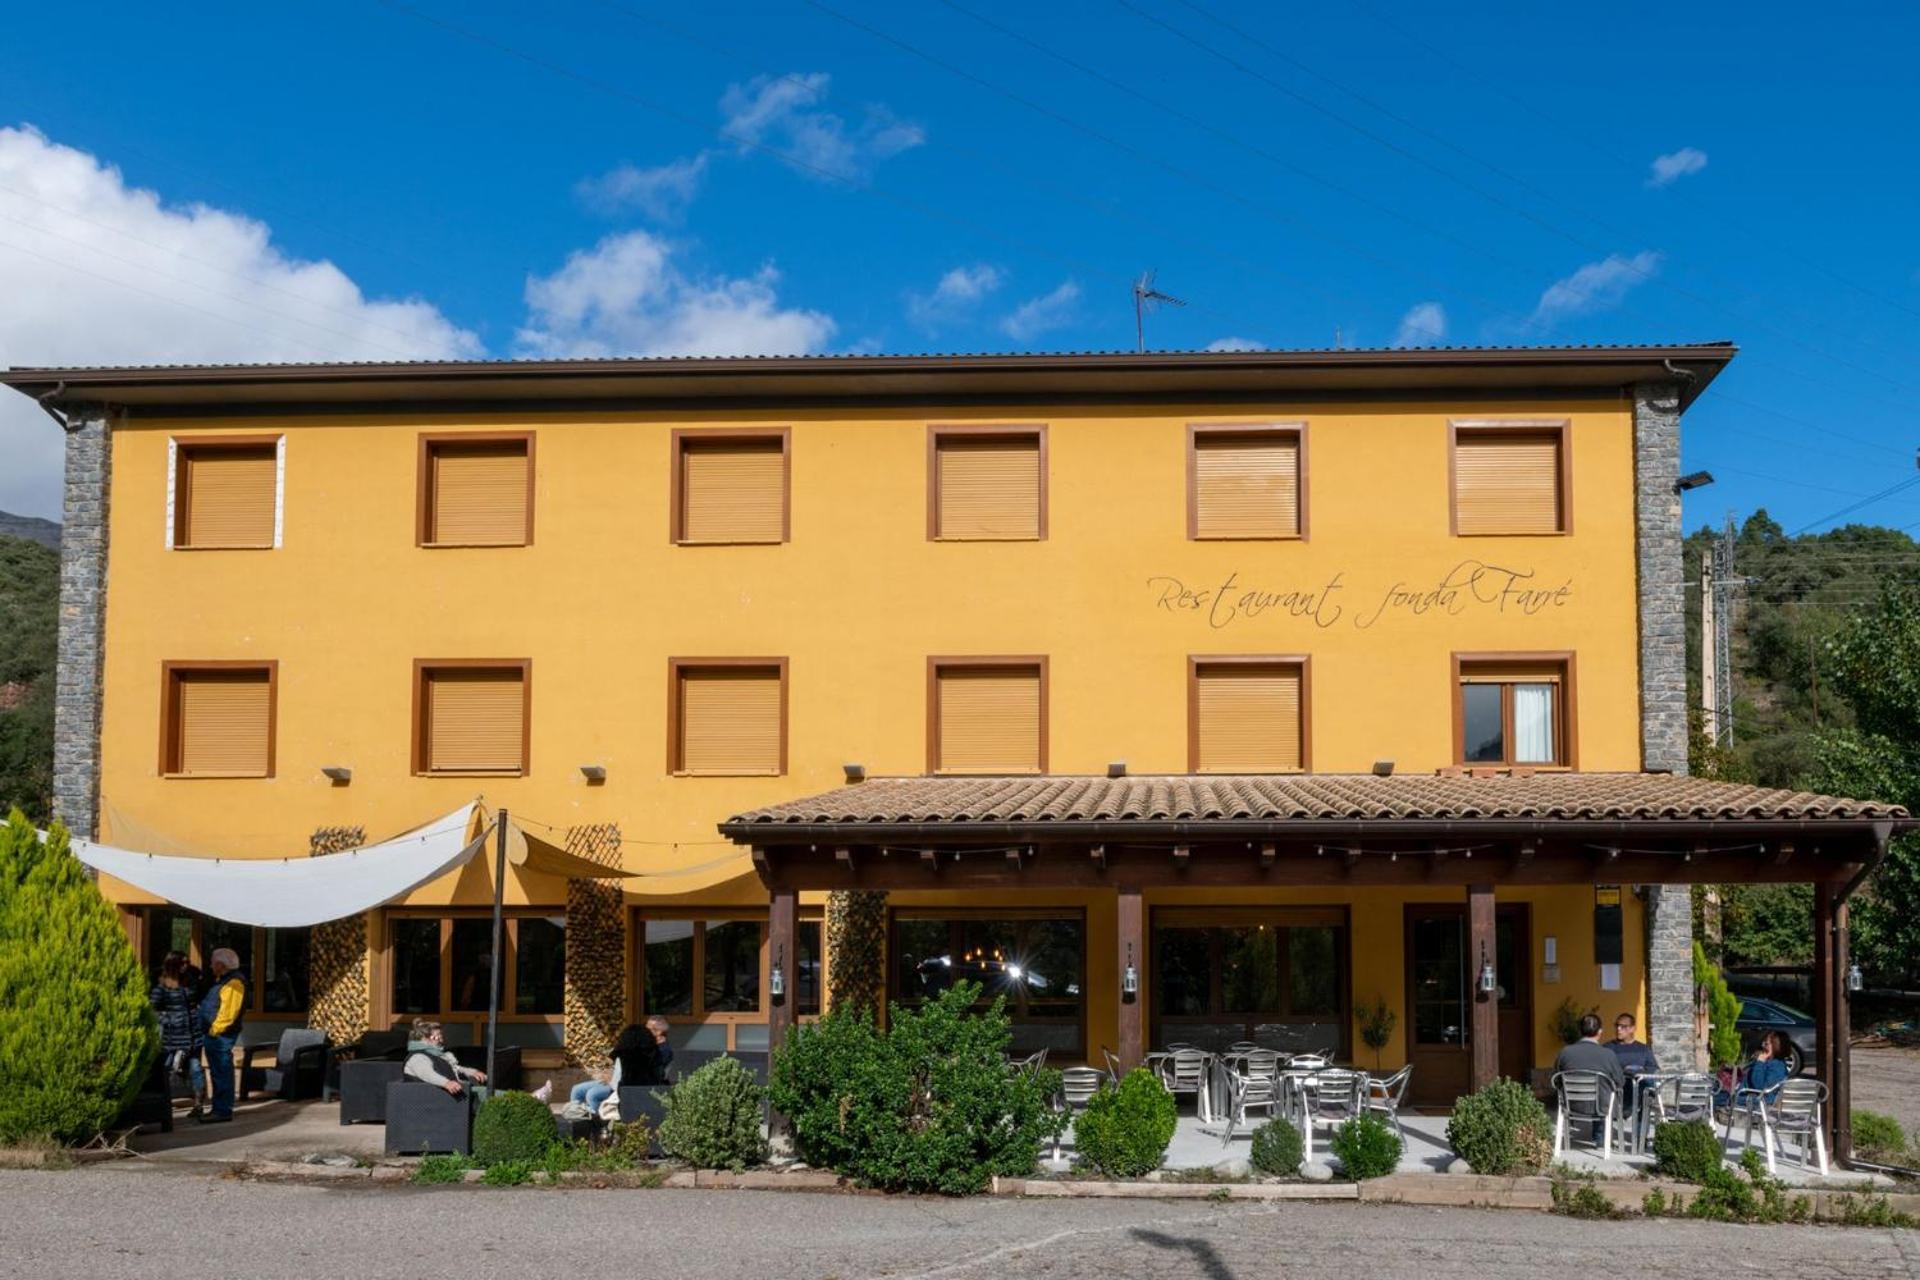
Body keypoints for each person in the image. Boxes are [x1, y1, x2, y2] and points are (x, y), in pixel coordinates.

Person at [149, 952, 204, 1120]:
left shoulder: (191, 979)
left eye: (187, 962)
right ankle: (162, 1102)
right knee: (165, 1067)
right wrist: (168, 1018)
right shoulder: (161, 984)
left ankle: (199, 1103)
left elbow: (198, 998)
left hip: (193, 1032)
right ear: (174, 964)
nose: (186, 965)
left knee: (196, 1068)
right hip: (172, 1034)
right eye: (183, 962)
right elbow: (153, 1008)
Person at [195, 948, 248, 1123]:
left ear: (220, 964)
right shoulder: (223, 981)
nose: (210, 966)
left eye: (212, 962)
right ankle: (219, 1108)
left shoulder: (234, 983)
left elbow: (228, 1014)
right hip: (216, 1035)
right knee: (218, 1072)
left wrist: (214, 1030)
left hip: (220, 1036)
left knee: (222, 1071)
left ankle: (222, 1110)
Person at [1552, 1011, 1627, 1120]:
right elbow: (1620, 1081)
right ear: (1600, 1032)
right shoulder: (1608, 1054)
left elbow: (1555, 1080)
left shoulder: (1565, 1052)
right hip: (1601, 1108)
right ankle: (1599, 1136)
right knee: (1605, 1094)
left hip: (1571, 1106)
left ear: (1580, 1031)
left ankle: (1569, 1134)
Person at [403, 1019, 487, 1098]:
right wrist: (446, 1083)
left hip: (454, 1093)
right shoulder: (418, 1057)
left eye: (441, 1036)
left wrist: (473, 1072)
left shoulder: (435, 1054)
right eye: (436, 1037)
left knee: (492, 1093)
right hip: (437, 1098)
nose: (441, 1040)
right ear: (424, 1039)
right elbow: (427, 1074)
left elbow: (455, 1068)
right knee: (493, 1095)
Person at [647, 1015, 674, 1080]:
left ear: (659, 1031)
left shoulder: (663, 1050)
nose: (645, 1032)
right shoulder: (653, 1047)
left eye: (648, 1029)